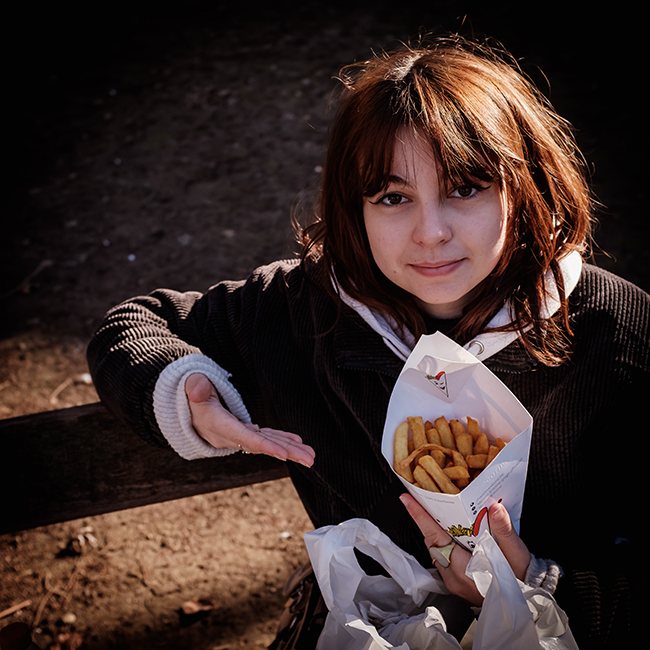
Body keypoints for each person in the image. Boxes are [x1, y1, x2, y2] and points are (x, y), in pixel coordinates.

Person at [87, 35, 648, 648]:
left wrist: (537, 585)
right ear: (354, 209)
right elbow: (132, 325)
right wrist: (183, 388)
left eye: (465, 189)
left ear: (527, 185)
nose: (430, 232)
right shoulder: (300, 311)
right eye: (393, 198)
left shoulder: (615, 329)